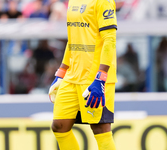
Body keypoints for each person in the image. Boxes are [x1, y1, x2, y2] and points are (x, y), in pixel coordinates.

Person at [48, 0, 117, 149]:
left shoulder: (103, 2)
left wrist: (101, 77)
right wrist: (61, 73)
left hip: (95, 77)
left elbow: (110, 40)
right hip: (72, 76)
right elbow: (73, 40)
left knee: (100, 130)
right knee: (59, 126)